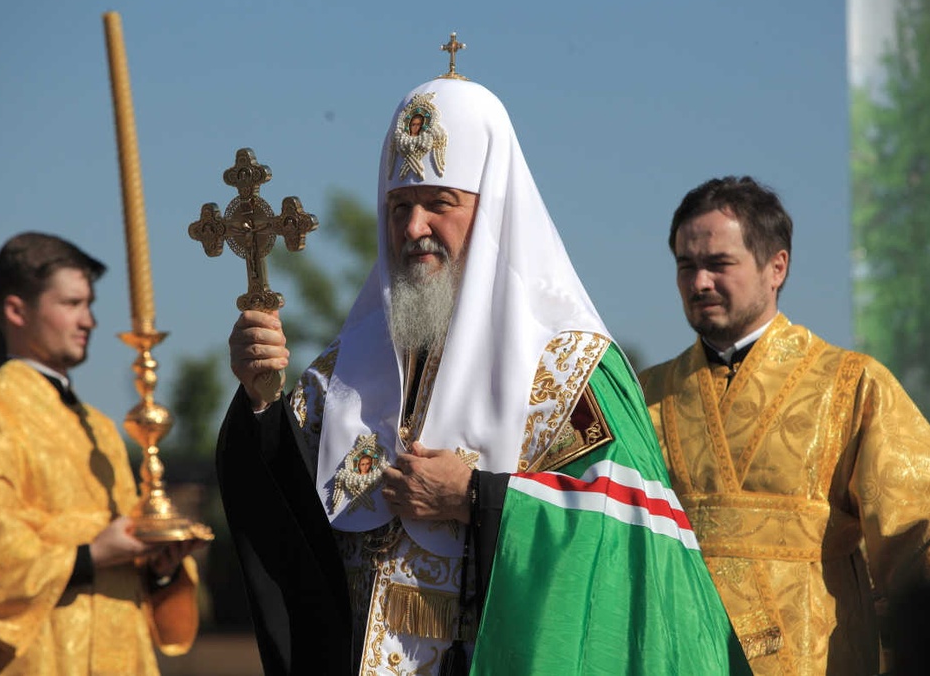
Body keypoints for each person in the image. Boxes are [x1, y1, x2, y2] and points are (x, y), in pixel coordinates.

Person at [217, 61, 751, 676]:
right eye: (399, 205)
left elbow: (631, 541)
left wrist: (477, 497)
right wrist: (261, 403)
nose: (413, 227)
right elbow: (286, 529)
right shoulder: (344, 370)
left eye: (439, 204)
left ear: (492, 208)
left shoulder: (574, 368)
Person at [637, 175, 930, 676]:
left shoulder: (853, 385)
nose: (699, 282)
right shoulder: (644, 397)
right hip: (674, 657)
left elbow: (914, 535)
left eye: (718, 264)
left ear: (777, 267)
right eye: (686, 266)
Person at [0, 232, 203, 675]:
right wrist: (91, 554)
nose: (89, 321)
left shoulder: (102, 427)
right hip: (47, 656)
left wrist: (159, 566)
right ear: (16, 311)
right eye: (71, 304)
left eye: (89, 304)